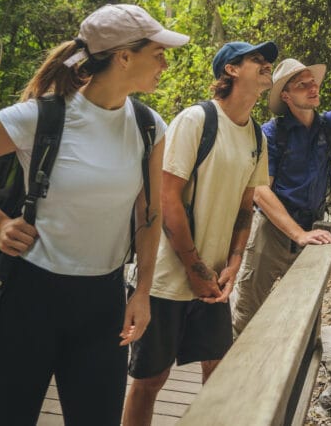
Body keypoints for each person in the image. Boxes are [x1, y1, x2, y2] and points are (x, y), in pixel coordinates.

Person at [0, 4, 188, 426]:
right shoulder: (41, 116)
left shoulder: (149, 125)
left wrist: (141, 292)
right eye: (158, 52)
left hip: (102, 303)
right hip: (23, 300)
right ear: (124, 56)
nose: (165, 62)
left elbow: (150, 213)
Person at [124, 39, 277, 426]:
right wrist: (194, 267)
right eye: (256, 60)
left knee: (218, 370)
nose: (266, 66)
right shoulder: (196, 120)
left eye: (267, 62)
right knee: (149, 379)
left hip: (214, 279)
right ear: (231, 70)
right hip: (166, 277)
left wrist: (235, 262)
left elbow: (247, 205)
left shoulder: (257, 137)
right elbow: (167, 197)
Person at [231, 28, 331, 336]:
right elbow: (261, 191)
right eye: (301, 84)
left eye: (312, 81)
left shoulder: (328, 126)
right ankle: (235, 377)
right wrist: (298, 233)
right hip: (272, 232)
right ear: (286, 96)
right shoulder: (271, 133)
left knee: (305, 313)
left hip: (311, 228)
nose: (312, 86)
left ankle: (295, 376)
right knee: (249, 312)